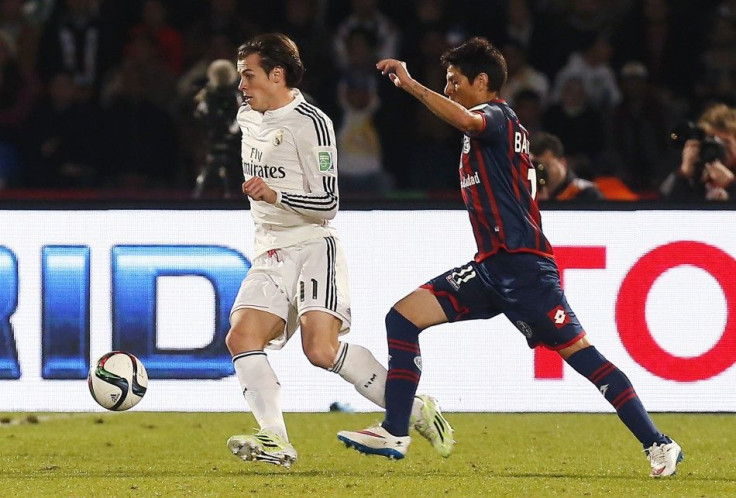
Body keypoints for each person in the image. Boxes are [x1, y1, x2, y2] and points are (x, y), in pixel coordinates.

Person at [337, 37, 683, 477]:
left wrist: (409, 84)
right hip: (491, 267)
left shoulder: (496, 116)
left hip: (524, 270)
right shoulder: (486, 128)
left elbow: (464, 119)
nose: (448, 88)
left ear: (482, 82)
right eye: (445, 81)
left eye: (454, 81)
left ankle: (658, 443)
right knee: (402, 318)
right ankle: (395, 429)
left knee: (586, 360)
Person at [224, 33, 453, 469]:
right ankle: (275, 439)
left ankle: (414, 409)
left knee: (321, 350)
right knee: (241, 337)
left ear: (277, 75)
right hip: (269, 250)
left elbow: (328, 204)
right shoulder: (247, 116)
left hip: (312, 245)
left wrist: (276, 195)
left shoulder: (312, 122)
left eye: (248, 75)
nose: (242, 85)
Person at [660, 103, 736, 201]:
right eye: (712, 141)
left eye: (725, 143)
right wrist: (683, 174)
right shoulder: (695, 176)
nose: (718, 148)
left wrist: (731, 186)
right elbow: (661, 206)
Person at [529, 132, 604, 201]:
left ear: (563, 163)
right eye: (537, 166)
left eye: (547, 165)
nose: (542, 171)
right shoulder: (529, 192)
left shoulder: (586, 192)